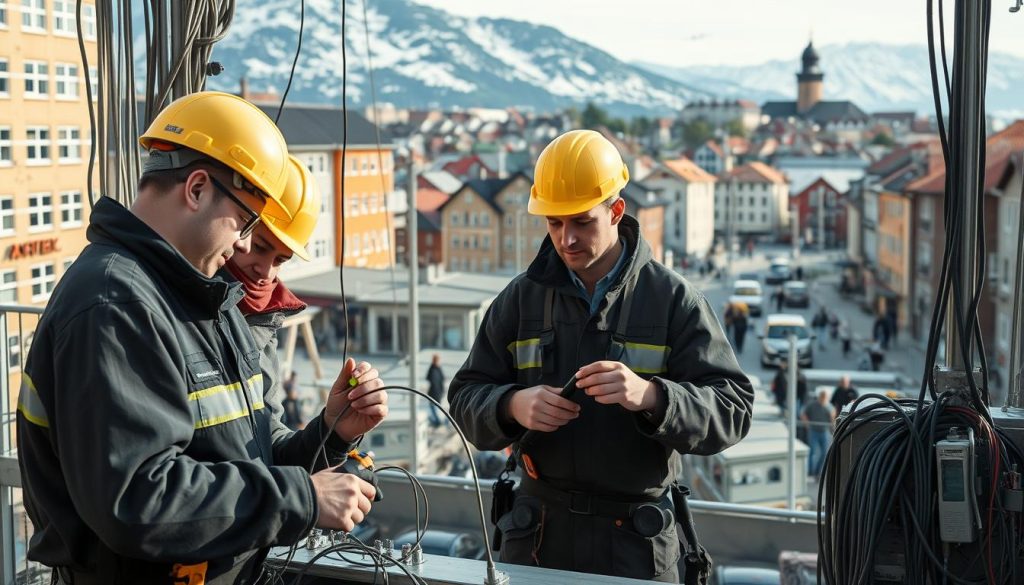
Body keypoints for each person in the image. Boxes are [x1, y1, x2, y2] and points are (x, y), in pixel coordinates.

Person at [16, 92, 387, 585]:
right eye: (246, 223)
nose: (240, 245)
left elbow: (251, 454)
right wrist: (304, 497)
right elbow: (136, 501)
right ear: (195, 188)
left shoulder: (201, 299)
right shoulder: (114, 305)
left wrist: (332, 432)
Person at [448, 130, 753, 583]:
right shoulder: (520, 300)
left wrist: (653, 397)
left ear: (615, 212)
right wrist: (512, 406)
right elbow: (463, 399)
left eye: (582, 222)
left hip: (635, 545)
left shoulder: (673, 300)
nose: (566, 239)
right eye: (554, 223)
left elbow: (733, 409)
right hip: (537, 541)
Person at [801, 389, 835, 477]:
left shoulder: (830, 407)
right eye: (822, 397)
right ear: (819, 397)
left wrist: (833, 429)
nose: (823, 399)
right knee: (812, 452)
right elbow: (803, 413)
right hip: (813, 431)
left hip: (824, 432)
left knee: (824, 453)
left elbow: (832, 420)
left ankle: (818, 471)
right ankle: (810, 472)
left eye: (825, 397)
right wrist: (807, 424)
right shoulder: (812, 405)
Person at [426, 354, 447, 427]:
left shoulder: (433, 369)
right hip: (436, 392)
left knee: (434, 407)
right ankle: (439, 421)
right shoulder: (435, 369)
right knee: (434, 407)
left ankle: (439, 422)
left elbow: (429, 378)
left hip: (436, 392)